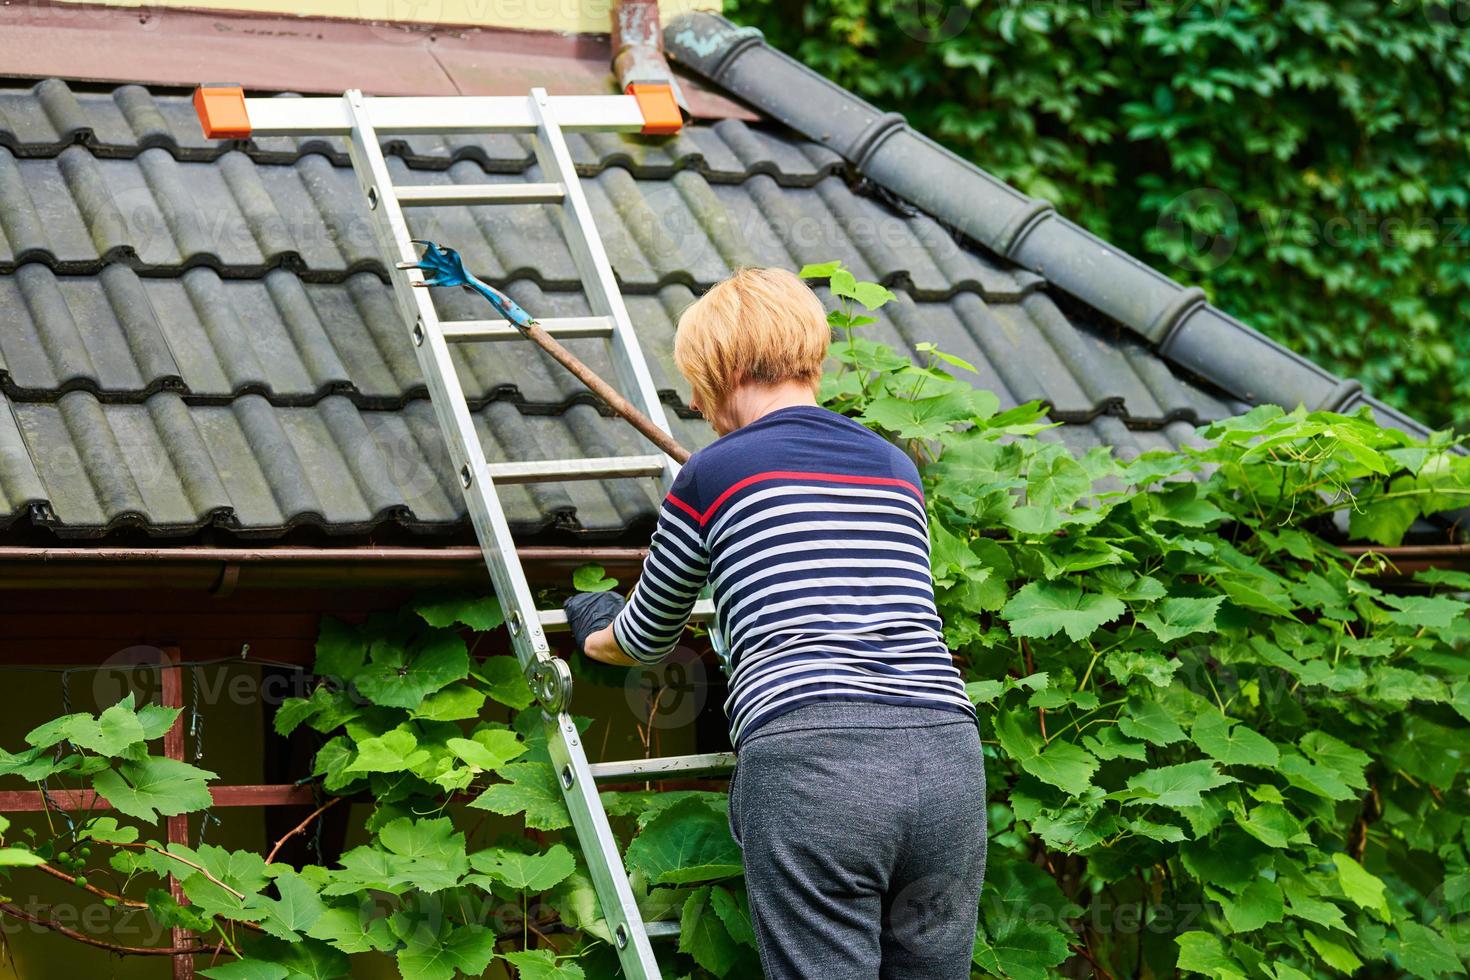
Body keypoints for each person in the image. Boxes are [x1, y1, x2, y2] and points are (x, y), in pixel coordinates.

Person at [562, 267, 987, 980]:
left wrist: (594, 626)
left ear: (720, 371)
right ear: (811, 356)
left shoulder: (711, 474)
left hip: (815, 761)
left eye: (697, 387)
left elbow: (646, 638)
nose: (698, 407)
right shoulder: (893, 466)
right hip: (946, 755)